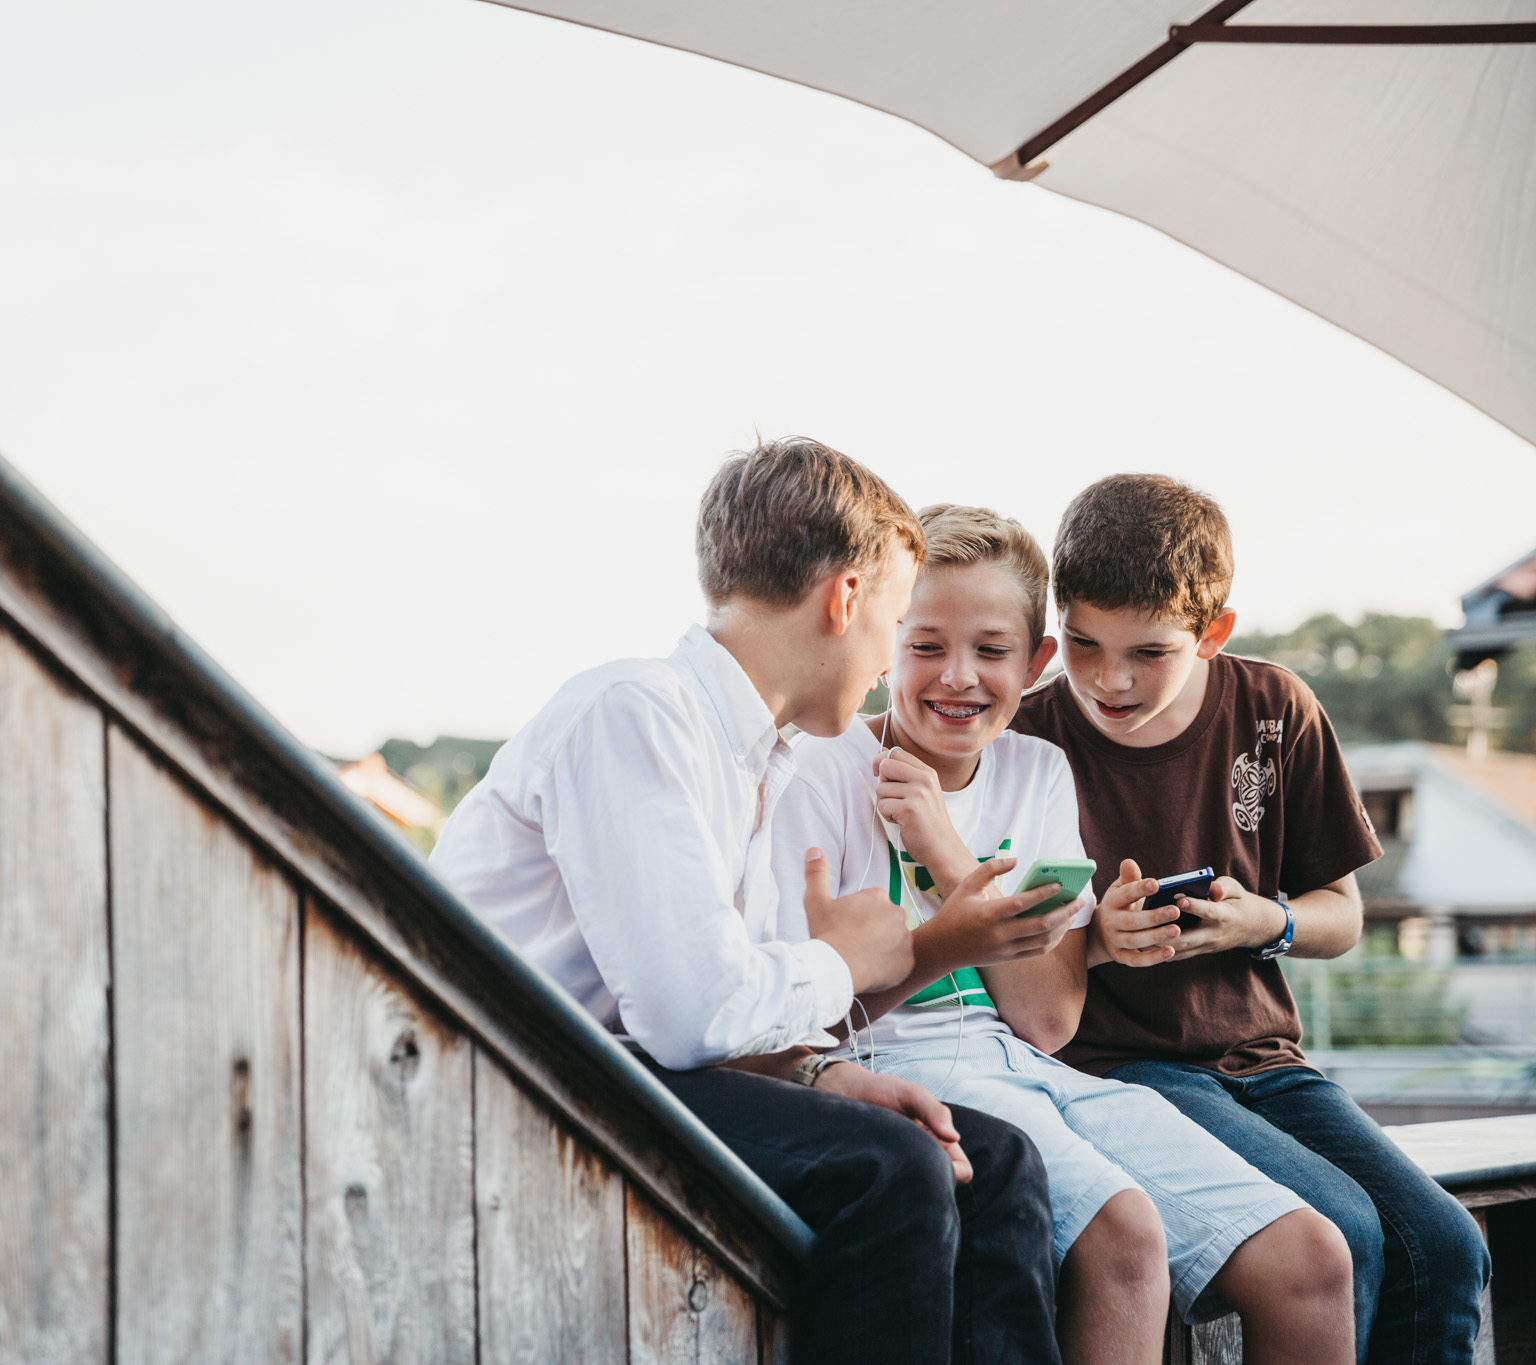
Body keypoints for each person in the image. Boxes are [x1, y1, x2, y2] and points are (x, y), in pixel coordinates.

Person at [431, 437, 1063, 1364]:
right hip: (520, 1075)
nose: (890, 664)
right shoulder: (634, 712)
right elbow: (692, 1013)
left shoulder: (761, 760)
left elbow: (745, 1011)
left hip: (632, 1071)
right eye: (895, 623)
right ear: (845, 600)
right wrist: (847, 956)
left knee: (996, 1163)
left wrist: (826, 1073)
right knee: (892, 1170)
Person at [773, 503, 1355, 1365]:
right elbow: (808, 1012)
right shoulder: (819, 768)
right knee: (1125, 1239)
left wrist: (941, 845)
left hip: (1030, 1063)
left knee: (1313, 1259)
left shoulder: (1037, 770)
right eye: (925, 645)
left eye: (992, 651)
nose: (958, 677)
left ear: (1035, 662)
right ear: (883, 640)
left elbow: (1047, 1021)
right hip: (892, 1059)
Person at [1011, 473, 1490, 1363]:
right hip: (1122, 1069)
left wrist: (1261, 922)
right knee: (1342, 1226)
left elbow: (1341, 916)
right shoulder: (1025, 735)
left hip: (1268, 1061)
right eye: (1082, 642)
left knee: (1451, 1246)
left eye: (1149, 653)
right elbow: (1010, 970)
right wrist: (1101, 944)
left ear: (1215, 632)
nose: (1109, 678)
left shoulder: (1275, 710)